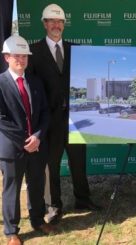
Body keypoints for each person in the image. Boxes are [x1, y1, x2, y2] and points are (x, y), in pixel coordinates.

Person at [27, 3, 101, 225]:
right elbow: (31, 90)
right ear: (44, 23)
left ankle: (83, 199)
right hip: (49, 122)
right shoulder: (33, 52)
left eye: (60, 21)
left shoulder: (76, 50)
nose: (56, 25)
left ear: (64, 25)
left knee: (79, 162)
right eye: (52, 21)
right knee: (52, 165)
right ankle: (54, 206)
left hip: (77, 120)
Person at [0, 35, 55, 245]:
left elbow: (44, 112)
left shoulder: (35, 81)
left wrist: (38, 136)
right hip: (12, 148)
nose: (21, 60)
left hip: (37, 145)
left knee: (37, 184)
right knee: (11, 189)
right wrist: (27, 140)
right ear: (6, 57)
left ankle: (38, 220)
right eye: (16, 56)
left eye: (24, 56)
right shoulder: (1, 83)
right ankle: (11, 231)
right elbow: (1, 119)